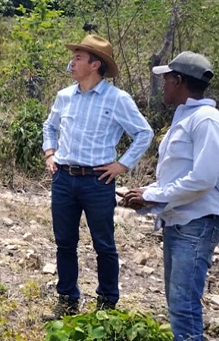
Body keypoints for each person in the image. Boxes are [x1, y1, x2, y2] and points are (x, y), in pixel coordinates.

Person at [121, 52, 219, 341]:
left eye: (166, 80)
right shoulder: (189, 118)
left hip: (197, 222)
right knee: (178, 304)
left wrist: (153, 196)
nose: (163, 86)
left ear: (178, 81)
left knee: (184, 305)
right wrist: (147, 193)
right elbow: (182, 174)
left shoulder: (207, 122)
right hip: (181, 220)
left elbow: (202, 179)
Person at [41, 34, 153, 319]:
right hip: (64, 179)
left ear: (95, 64)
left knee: (104, 244)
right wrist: (49, 154)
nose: (72, 62)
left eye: (78, 57)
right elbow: (49, 127)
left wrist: (122, 165)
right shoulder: (64, 96)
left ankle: (107, 305)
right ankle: (66, 300)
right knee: (64, 242)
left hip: (97, 181)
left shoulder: (117, 99)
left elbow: (144, 133)